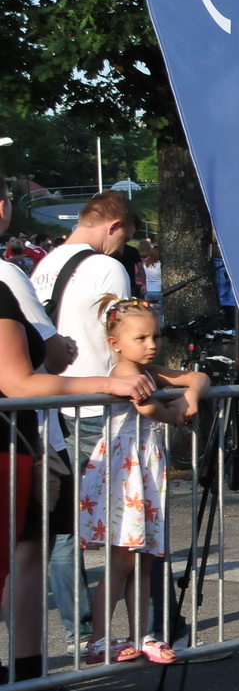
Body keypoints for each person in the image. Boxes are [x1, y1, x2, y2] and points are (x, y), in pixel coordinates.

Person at [0, 277, 153, 691]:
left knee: (26, 557)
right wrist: (107, 382)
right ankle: (27, 682)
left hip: (19, 444)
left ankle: (24, 683)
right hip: (9, 445)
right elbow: (18, 381)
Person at [34, 194, 141, 654]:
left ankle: (78, 630)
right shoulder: (106, 267)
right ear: (114, 226)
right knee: (127, 522)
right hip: (103, 405)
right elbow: (124, 335)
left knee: (64, 527)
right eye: (124, 239)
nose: (122, 248)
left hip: (54, 404)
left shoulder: (43, 265)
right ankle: (132, 628)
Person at [77, 298, 210, 665]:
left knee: (145, 560)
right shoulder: (124, 371)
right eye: (141, 338)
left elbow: (197, 377)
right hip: (127, 474)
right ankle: (99, 639)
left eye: (155, 336)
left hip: (146, 472)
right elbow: (147, 406)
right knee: (121, 561)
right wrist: (176, 412)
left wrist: (190, 395)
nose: (151, 344)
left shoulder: (148, 369)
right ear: (116, 343)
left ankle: (142, 634)